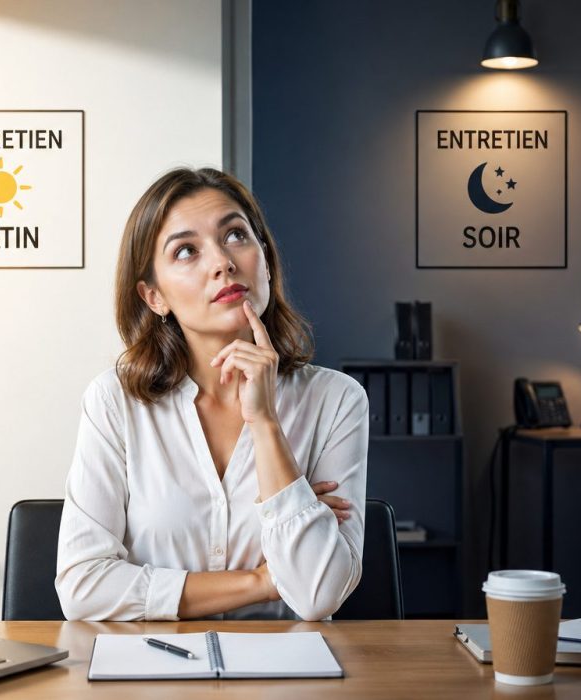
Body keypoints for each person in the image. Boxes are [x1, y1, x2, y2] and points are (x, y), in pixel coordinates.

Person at [55, 167, 368, 621]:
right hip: (148, 674)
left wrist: (265, 424)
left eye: (236, 235)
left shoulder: (336, 400)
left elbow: (318, 594)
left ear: (265, 257)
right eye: (186, 251)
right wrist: (260, 581)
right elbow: (83, 588)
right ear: (154, 296)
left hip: (286, 678)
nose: (222, 261)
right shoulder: (115, 400)